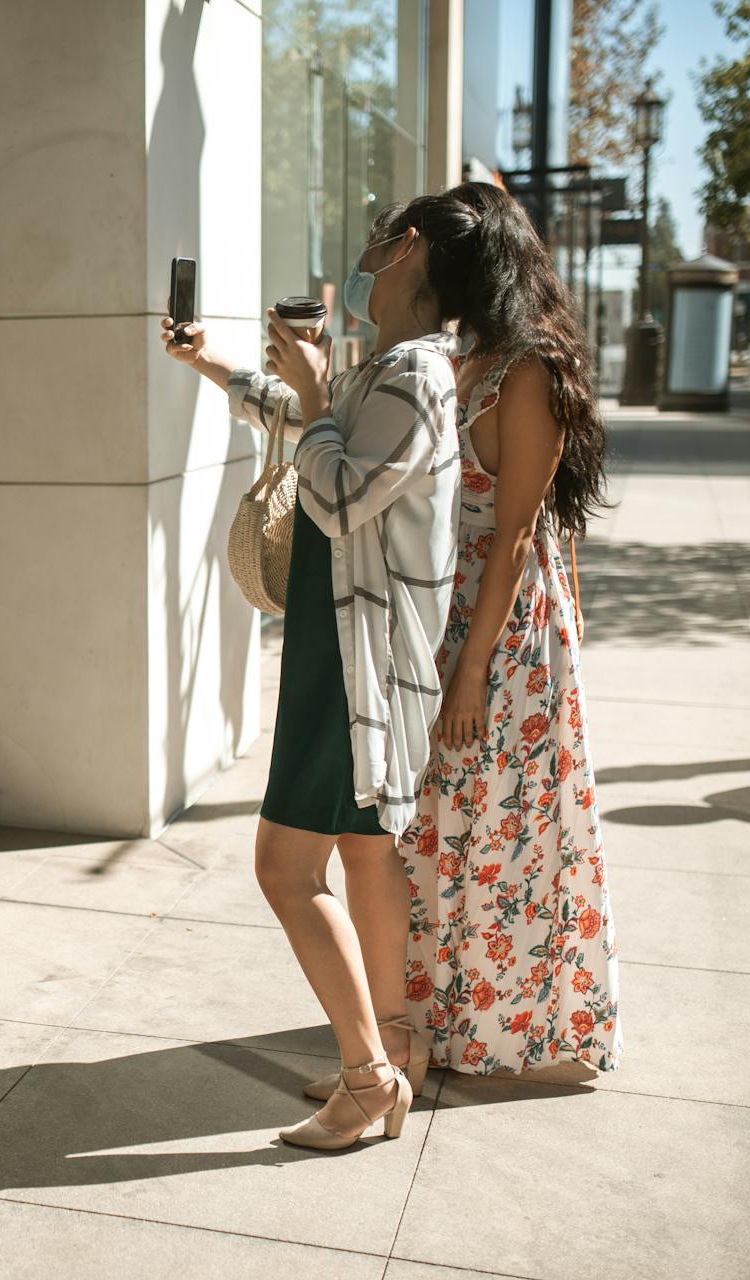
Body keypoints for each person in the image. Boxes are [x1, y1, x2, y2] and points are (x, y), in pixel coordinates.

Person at [162, 200, 469, 1148]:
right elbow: (306, 420)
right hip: (346, 651)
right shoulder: (395, 368)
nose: (368, 247)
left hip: (352, 663)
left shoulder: (414, 373)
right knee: (365, 851)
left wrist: (318, 393)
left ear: (410, 250)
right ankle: (397, 1049)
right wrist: (212, 361)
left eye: (384, 233)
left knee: (283, 869)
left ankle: (370, 1077)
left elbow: (335, 491)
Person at [392, 184, 620, 1077]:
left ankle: (508, 1027)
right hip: (451, 616)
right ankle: (435, 1020)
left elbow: (522, 532)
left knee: (502, 832)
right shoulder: (463, 357)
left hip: (502, 634)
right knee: (446, 827)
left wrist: (473, 672)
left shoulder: (527, 371)